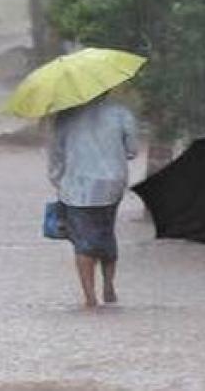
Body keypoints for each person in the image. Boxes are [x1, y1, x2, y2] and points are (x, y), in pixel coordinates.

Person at [48, 95, 139, 309]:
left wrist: (56, 179)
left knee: (83, 241)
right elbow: (132, 150)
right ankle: (108, 285)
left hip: (77, 186)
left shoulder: (65, 117)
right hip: (111, 184)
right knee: (106, 232)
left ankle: (90, 297)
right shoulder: (121, 113)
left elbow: (56, 154)